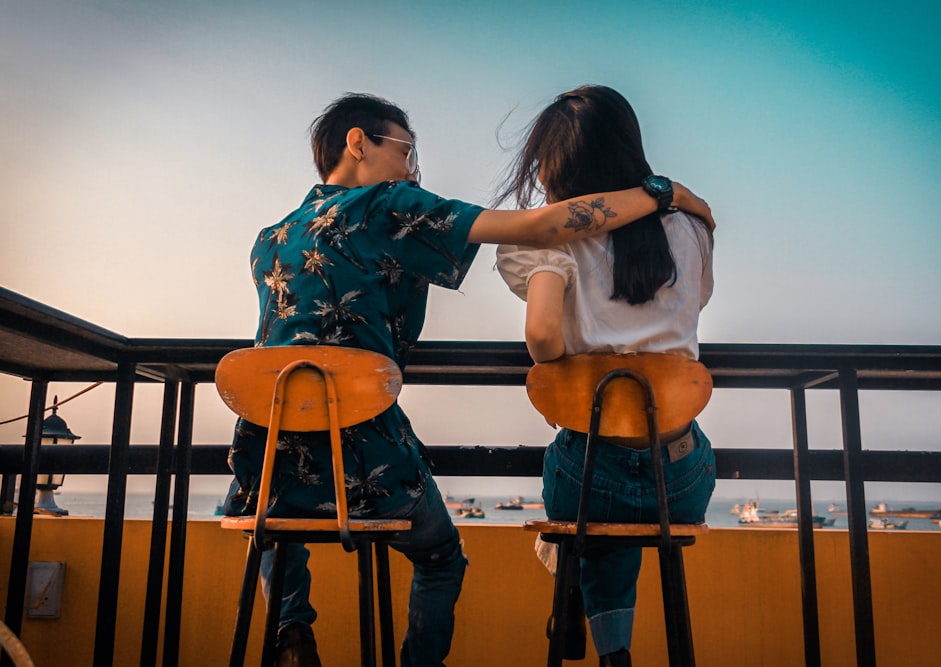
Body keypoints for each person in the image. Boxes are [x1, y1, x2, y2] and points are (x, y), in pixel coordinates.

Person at [223, 92, 714, 667]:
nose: (413, 168)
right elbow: (542, 224)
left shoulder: (268, 240)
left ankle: (290, 631)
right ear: (359, 143)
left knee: (269, 524)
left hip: (268, 447)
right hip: (369, 458)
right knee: (440, 559)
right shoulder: (389, 204)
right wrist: (664, 193)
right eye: (406, 150)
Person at [494, 85, 717, 667]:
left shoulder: (551, 240)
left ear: (557, 164)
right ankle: (599, 626)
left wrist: (566, 369)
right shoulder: (691, 231)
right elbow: (699, 304)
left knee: (586, 469)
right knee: (621, 499)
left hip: (593, 475)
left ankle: (591, 619)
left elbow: (542, 338)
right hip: (684, 482)